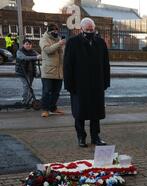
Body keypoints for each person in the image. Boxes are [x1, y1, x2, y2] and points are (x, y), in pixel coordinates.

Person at [63, 17, 111, 148]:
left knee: (96, 113)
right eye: (87, 29)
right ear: (81, 29)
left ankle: (95, 137)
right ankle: (81, 137)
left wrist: (106, 82)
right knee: (80, 113)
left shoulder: (100, 43)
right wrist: (69, 84)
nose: (90, 32)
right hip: (79, 85)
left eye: (92, 29)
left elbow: (106, 64)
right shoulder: (73, 43)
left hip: (96, 84)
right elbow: (67, 65)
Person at [39, 23, 65, 118]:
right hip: (48, 71)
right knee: (47, 91)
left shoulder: (58, 39)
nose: (55, 32)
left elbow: (62, 54)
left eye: (56, 31)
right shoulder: (44, 39)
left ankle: (53, 108)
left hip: (59, 71)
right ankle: (45, 110)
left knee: (56, 92)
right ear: (49, 31)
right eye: (53, 31)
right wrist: (59, 44)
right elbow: (47, 50)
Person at [15, 39, 41, 107]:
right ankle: (24, 100)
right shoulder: (19, 51)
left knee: (30, 86)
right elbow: (24, 58)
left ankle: (28, 101)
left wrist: (39, 56)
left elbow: (39, 56)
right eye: (26, 44)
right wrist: (36, 57)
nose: (28, 45)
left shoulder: (33, 51)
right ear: (23, 45)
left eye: (29, 44)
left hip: (31, 72)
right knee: (26, 85)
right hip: (22, 72)